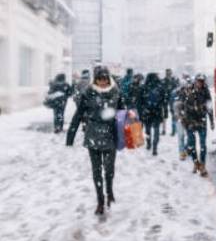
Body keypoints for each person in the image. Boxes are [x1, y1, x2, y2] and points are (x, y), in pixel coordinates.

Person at [66, 66, 126, 215]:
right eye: (100, 79)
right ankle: (100, 200)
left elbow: (121, 112)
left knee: (109, 169)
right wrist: (70, 137)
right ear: (95, 79)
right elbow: (78, 115)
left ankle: (110, 191)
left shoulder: (116, 92)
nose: (103, 82)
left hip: (110, 135)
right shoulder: (88, 93)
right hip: (93, 135)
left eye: (105, 79)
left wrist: (128, 123)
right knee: (96, 171)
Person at [182, 73, 214, 176]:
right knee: (191, 145)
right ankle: (196, 163)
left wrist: (212, 121)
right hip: (190, 120)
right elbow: (184, 106)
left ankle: (203, 165)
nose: (200, 83)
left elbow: (209, 108)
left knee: (203, 145)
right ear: (195, 81)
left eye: (202, 81)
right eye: (198, 81)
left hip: (202, 120)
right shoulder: (188, 90)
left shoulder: (206, 92)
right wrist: (186, 116)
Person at [140, 72, 166, 156]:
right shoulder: (160, 87)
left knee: (148, 130)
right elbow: (164, 101)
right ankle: (155, 147)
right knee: (156, 130)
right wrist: (165, 112)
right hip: (157, 111)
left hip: (147, 112)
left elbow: (140, 101)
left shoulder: (144, 87)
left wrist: (142, 111)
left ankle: (148, 144)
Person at [172, 77, 191, 161]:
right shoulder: (175, 94)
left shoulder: (190, 94)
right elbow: (173, 106)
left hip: (186, 117)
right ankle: (182, 152)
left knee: (188, 135)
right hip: (179, 117)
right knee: (181, 135)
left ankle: (185, 150)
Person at [161, 68, 179, 136]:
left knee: (171, 115)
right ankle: (168, 130)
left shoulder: (166, 81)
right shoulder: (172, 81)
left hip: (169, 99)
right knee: (166, 115)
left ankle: (172, 130)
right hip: (168, 99)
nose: (168, 74)